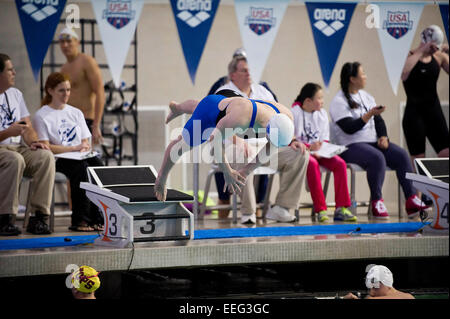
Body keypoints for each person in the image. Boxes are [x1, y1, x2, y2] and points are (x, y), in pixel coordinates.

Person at [156, 90, 309, 224]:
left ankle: (177, 107)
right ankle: (162, 176)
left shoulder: (286, 116)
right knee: (181, 145)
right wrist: (227, 172)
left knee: (205, 105)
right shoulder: (241, 119)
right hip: (214, 112)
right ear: (267, 128)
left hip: (231, 102)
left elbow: (270, 149)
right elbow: (214, 141)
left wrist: (245, 172)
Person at [329, 62, 430, 219]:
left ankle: (411, 200)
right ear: (352, 79)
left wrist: (383, 136)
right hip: (350, 146)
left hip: (373, 143)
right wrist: (369, 114)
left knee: (401, 155)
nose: (365, 76)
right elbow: (349, 127)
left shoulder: (366, 96)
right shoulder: (339, 101)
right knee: (377, 158)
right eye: (362, 74)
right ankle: (377, 201)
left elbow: (379, 121)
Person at [33, 72, 104, 232]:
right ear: (50, 91)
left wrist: (84, 146)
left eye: (68, 90)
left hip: (79, 155)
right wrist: (73, 148)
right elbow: (46, 146)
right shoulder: (41, 115)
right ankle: (80, 221)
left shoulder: (75, 112)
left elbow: (85, 139)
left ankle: (98, 218)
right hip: (57, 159)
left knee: (98, 167)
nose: (66, 94)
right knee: (81, 170)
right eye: (61, 90)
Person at [212, 54, 279, 220]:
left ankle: (284, 208)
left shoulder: (263, 92)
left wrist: (290, 140)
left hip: (263, 144)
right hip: (230, 145)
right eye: (244, 71)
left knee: (297, 156)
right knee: (244, 153)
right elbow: (218, 127)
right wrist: (238, 140)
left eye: (250, 70)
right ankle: (249, 213)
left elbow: (277, 119)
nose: (249, 74)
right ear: (233, 74)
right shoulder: (223, 93)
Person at [0, 53, 55, 236]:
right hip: (3, 150)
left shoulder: (15, 94)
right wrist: (9, 132)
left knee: (46, 157)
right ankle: (6, 218)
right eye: (9, 70)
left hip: (17, 147)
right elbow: (14, 130)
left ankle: (38, 218)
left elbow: (27, 127)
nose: (14, 72)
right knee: (14, 160)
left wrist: (34, 141)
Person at [292, 83, 356, 223]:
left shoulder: (322, 114)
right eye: (319, 98)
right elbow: (292, 140)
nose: (322, 101)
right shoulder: (294, 113)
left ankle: (342, 208)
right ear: (308, 101)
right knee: (312, 164)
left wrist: (322, 149)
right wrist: (310, 148)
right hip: (302, 153)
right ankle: (321, 209)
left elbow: (324, 140)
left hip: (319, 152)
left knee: (340, 164)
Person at [401, 25, 449, 164]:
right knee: (419, 163)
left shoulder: (439, 57)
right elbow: (403, 74)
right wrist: (422, 49)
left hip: (434, 112)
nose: (435, 50)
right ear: (426, 41)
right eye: (433, 46)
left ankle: (442, 186)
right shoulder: (409, 56)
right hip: (414, 115)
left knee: (447, 154)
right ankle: (419, 187)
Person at [59, 27, 105, 145]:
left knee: (87, 158)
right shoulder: (64, 68)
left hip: (86, 120)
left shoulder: (87, 61)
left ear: (77, 42)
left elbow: (100, 92)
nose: (65, 45)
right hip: (69, 122)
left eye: (69, 41)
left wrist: (96, 125)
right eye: (62, 42)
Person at [344, 264, 414, 299]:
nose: (371, 292)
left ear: (385, 282)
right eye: (369, 288)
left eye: (374, 286)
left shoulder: (408, 297)